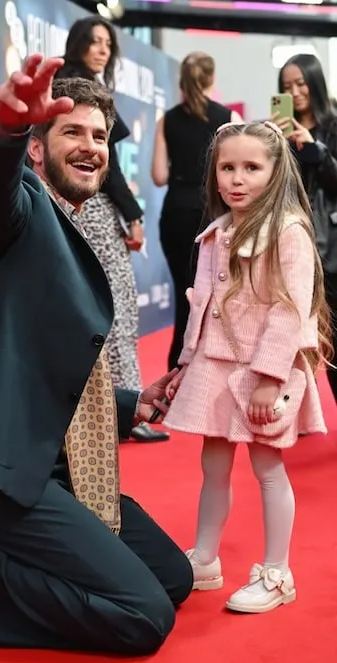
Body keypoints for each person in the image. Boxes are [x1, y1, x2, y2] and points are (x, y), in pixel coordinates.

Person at [0, 57, 194, 654]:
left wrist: (132, 403)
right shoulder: (15, 207)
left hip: (58, 462)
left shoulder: (73, 224)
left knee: (172, 578)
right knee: (143, 616)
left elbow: (51, 368)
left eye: (100, 136)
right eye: (72, 131)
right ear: (37, 149)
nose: (90, 146)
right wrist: (5, 126)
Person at [163, 121, 330, 613]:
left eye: (251, 168)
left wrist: (271, 376)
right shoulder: (217, 232)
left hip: (262, 374)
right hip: (215, 367)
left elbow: (289, 308)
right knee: (212, 466)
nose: (237, 178)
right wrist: (186, 365)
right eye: (227, 167)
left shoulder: (290, 232)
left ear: (276, 173)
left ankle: (278, 573)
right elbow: (202, 307)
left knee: (268, 468)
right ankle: (206, 559)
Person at [55, 16, 168, 443]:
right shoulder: (80, 89)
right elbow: (111, 166)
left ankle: (111, 411)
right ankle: (126, 411)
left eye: (107, 42)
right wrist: (133, 212)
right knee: (113, 304)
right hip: (92, 208)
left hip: (90, 207)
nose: (101, 49)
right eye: (94, 41)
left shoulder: (74, 82)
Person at [151, 52, 242, 371]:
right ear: (212, 80)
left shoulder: (168, 119)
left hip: (176, 211)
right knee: (215, 293)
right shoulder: (228, 117)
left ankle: (175, 373)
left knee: (183, 294)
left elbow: (159, 175)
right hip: (213, 212)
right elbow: (237, 171)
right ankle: (208, 370)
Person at [275, 54, 337, 400]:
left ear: (315, 83)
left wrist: (316, 151)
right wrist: (273, 144)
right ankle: (289, 413)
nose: (295, 92)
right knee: (286, 334)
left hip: (329, 246)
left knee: (335, 340)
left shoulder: (333, 127)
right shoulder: (278, 134)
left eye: (300, 84)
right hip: (287, 241)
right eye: (286, 87)